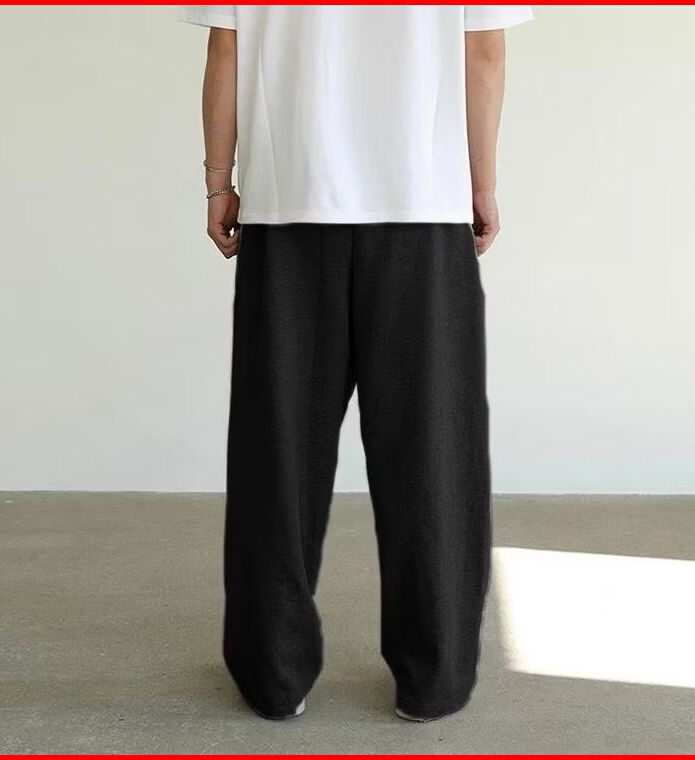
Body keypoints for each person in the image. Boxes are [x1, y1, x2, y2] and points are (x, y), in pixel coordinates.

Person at [182, 4, 533, 723]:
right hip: (422, 211)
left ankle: (273, 675)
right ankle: (434, 676)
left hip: (289, 206)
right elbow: (485, 55)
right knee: (431, 448)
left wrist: (219, 181)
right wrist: (481, 184)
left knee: (277, 449)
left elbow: (226, 52)